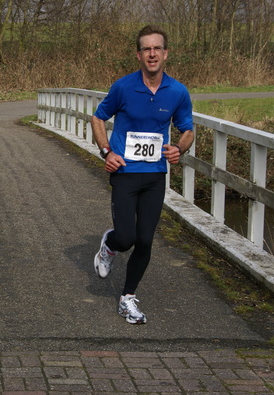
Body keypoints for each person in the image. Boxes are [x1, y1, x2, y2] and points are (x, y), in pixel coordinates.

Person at [91, 25, 194, 324]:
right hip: (124, 172)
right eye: (146, 49)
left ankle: (128, 298)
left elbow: (187, 129)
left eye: (157, 48)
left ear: (165, 54)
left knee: (146, 241)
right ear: (139, 55)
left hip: (155, 176)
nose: (152, 54)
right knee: (126, 237)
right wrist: (106, 151)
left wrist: (179, 149)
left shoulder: (177, 91)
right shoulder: (123, 87)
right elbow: (98, 117)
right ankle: (110, 245)